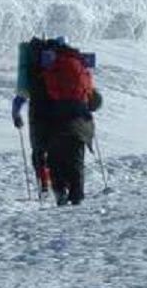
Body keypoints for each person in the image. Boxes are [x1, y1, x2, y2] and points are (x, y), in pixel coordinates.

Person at [12, 37, 103, 205]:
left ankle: (57, 191)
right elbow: (94, 101)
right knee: (75, 161)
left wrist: (16, 113)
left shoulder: (44, 68)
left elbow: (24, 95)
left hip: (54, 122)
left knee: (54, 159)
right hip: (81, 123)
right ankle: (77, 197)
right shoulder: (78, 64)